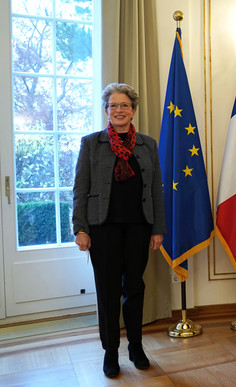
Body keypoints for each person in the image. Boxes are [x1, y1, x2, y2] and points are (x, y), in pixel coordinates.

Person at [72, 83, 165, 377]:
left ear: (134, 111)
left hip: (139, 227)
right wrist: (80, 228)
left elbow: (156, 190)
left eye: (125, 105)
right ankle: (110, 351)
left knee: (134, 287)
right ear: (106, 111)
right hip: (103, 229)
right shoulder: (91, 143)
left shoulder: (147, 144)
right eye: (113, 105)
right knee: (108, 291)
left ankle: (136, 346)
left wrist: (157, 228)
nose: (119, 110)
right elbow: (80, 189)